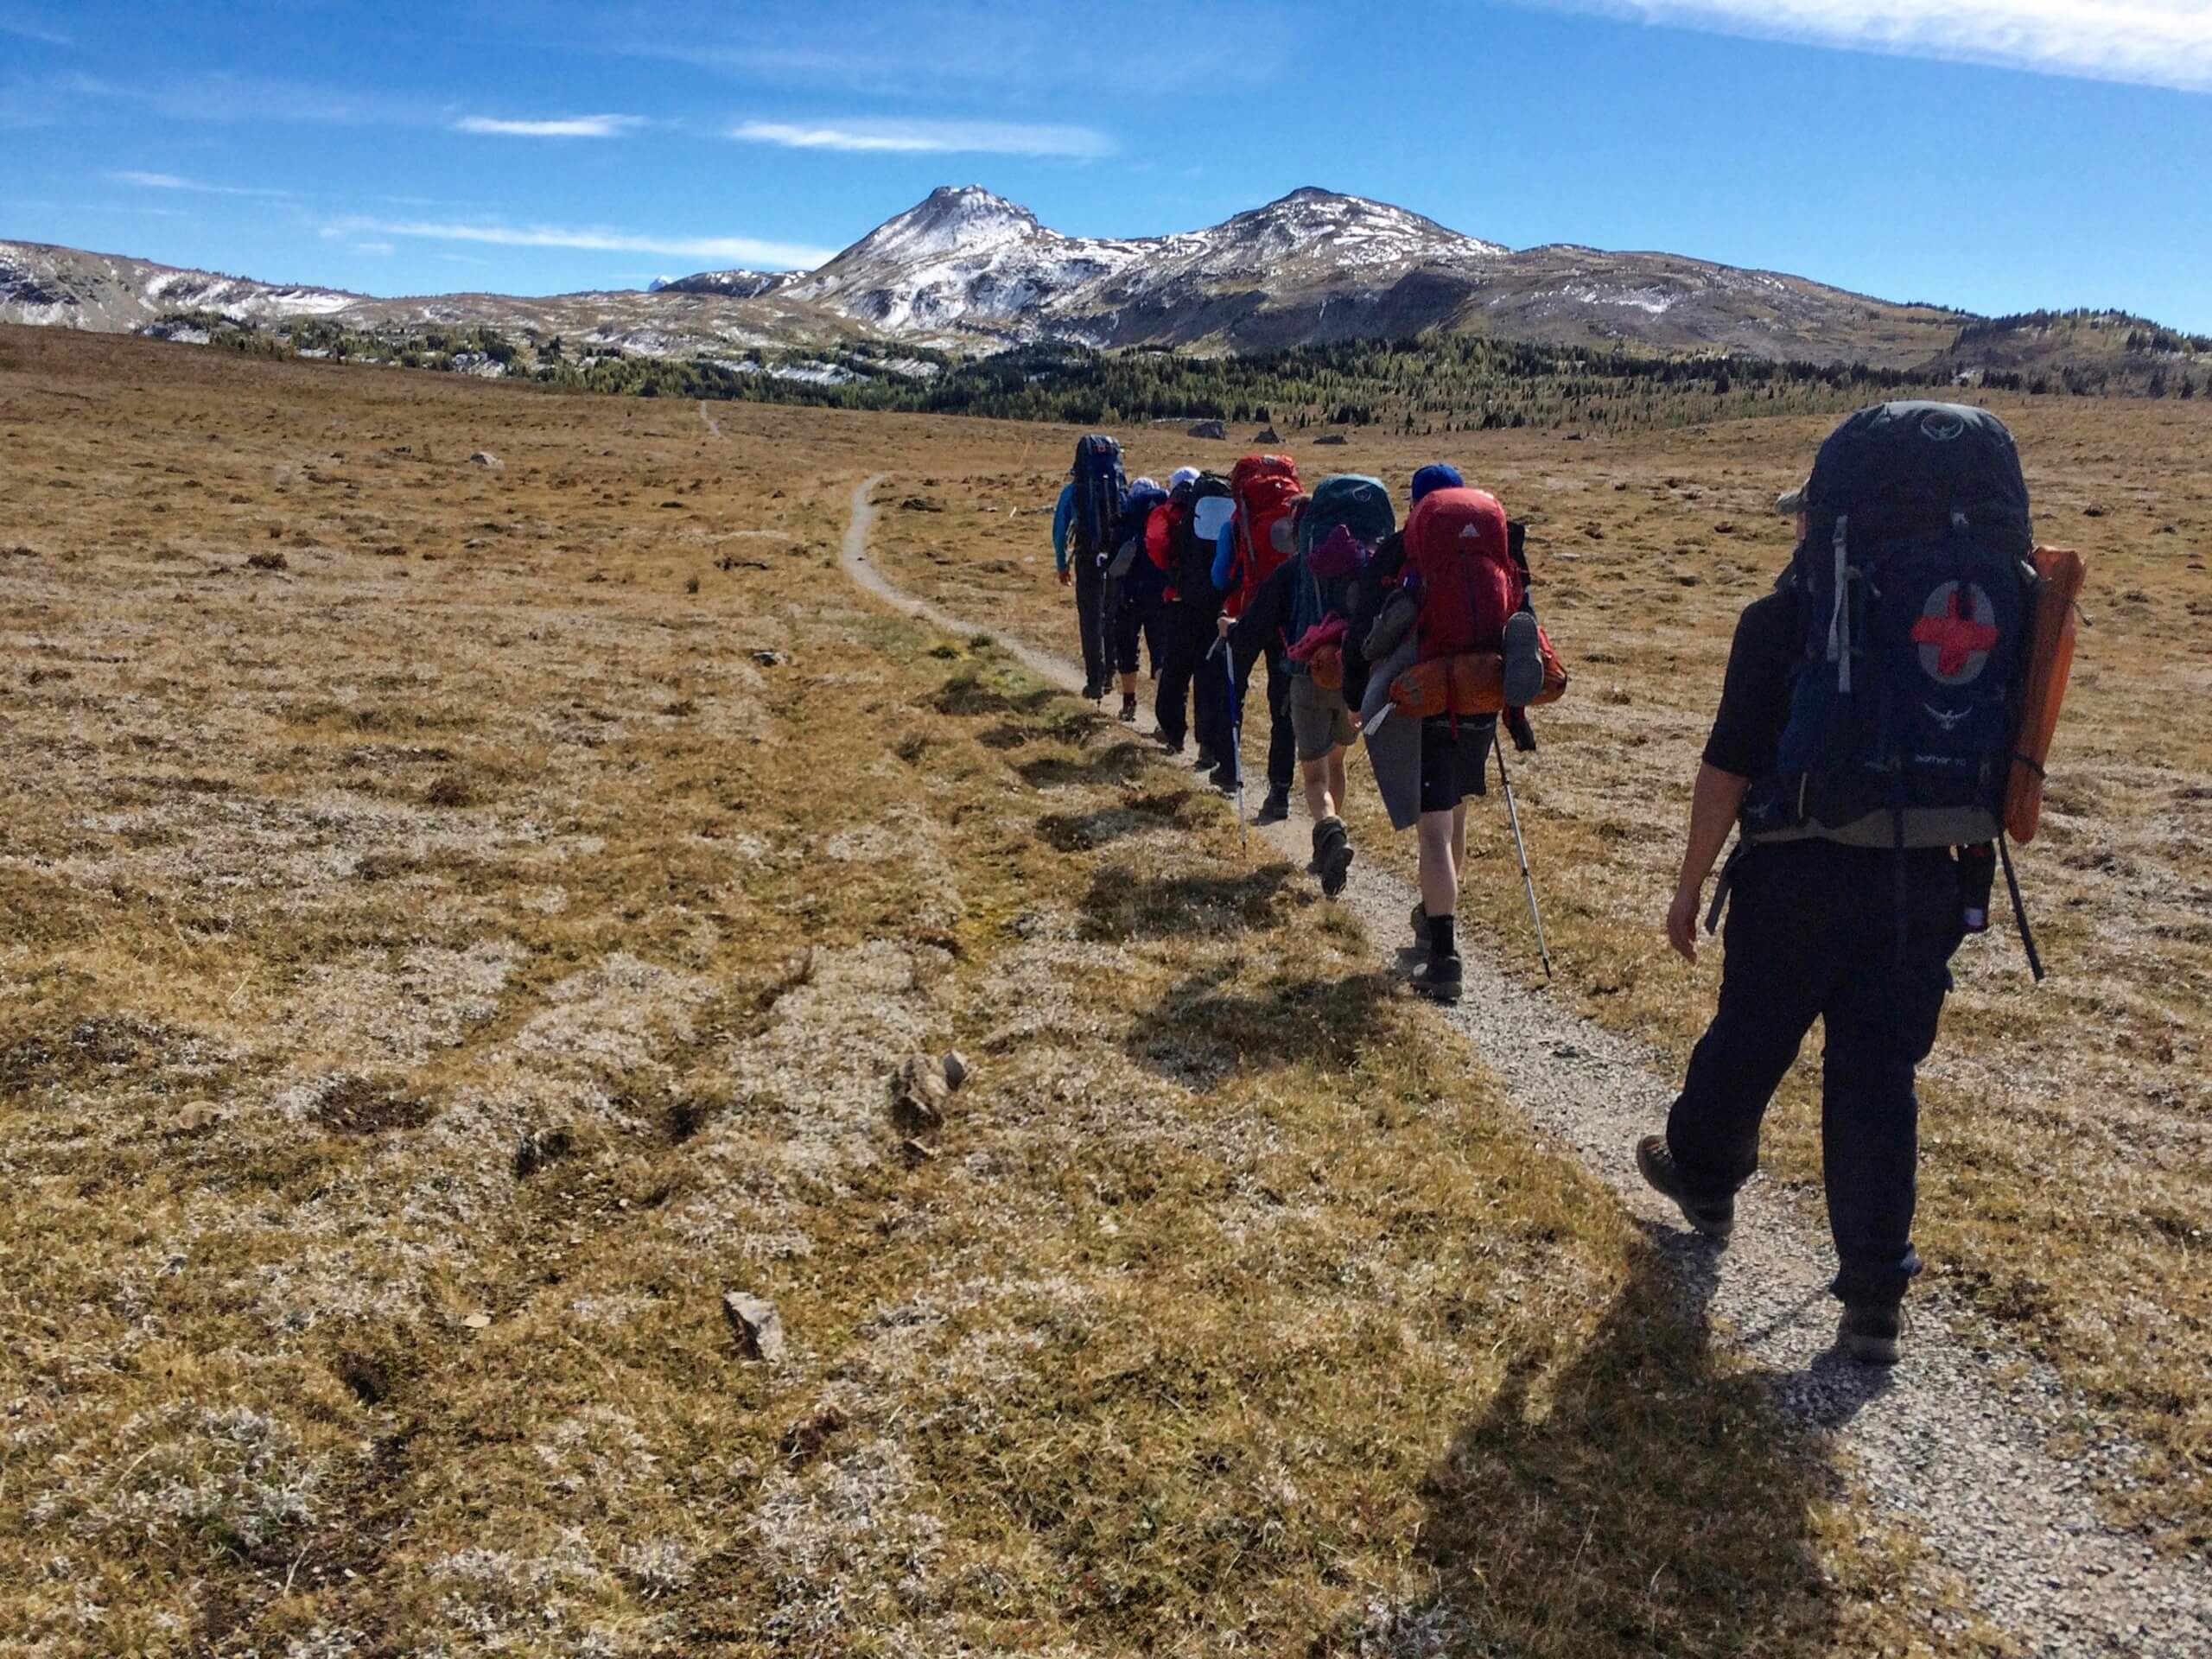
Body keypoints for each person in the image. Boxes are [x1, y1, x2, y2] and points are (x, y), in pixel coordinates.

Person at [1635, 403, 2032, 1367]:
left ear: (1823, 523)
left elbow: (1728, 765)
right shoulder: (2003, 596)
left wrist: (1688, 886)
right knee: (1878, 1075)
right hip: (1934, 870)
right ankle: (1872, 1299)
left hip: (1801, 865)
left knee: (1753, 1034)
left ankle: (1704, 1170)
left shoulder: (1776, 620)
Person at [1357, 469, 1546, 1002]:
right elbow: (1520, 612)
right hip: (1483, 695)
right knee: (1456, 810)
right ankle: (1432, 918)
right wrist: (1517, 716)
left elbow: (1365, 628)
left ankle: (1443, 957)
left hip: (1432, 693)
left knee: (1433, 829)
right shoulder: (1498, 545)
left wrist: (1359, 689)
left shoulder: (1404, 549)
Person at [1262, 474, 1394, 894]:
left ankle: (1330, 832)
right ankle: (1332, 840)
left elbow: (1258, 620)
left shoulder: (1298, 569)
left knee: (1315, 776)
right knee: (1336, 764)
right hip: (1356, 676)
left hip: (1310, 675)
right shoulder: (1369, 553)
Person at [1212, 456, 1302, 820]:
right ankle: (1279, 792)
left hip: (1245, 612)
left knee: (1232, 688)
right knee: (1283, 708)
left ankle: (1229, 770)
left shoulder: (1238, 522)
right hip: (1290, 620)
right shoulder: (1297, 516)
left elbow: (1220, 576)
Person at [1051, 437, 1122, 699]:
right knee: (1112, 615)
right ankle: (1112, 675)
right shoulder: (1118, 485)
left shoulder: (1072, 492)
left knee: (1091, 618)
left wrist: (1061, 564)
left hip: (1088, 558)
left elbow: (1059, 533)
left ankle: (1095, 681)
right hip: (1115, 559)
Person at [1104, 476, 1168, 722]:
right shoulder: (1167, 525)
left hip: (1129, 596)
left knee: (1128, 648)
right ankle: (1164, 714)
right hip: (1161, 597)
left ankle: (1129, 703)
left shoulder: (1125, 525)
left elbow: (1112, 567)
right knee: (1161, 652)